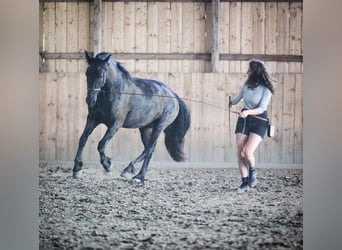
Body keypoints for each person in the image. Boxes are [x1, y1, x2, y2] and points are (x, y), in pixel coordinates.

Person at [229, 59, 275, 192]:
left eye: (249, 69)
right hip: (244, 120)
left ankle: (253, 172)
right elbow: (239, 98)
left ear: (254, 72)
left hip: (259, 121)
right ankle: (244, 183)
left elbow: (261, 108)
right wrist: (232, 102)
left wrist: (247, 112)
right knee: (240, 152)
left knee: (247, 152)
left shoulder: (267, 89)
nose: (247, 71)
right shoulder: (247, 84)